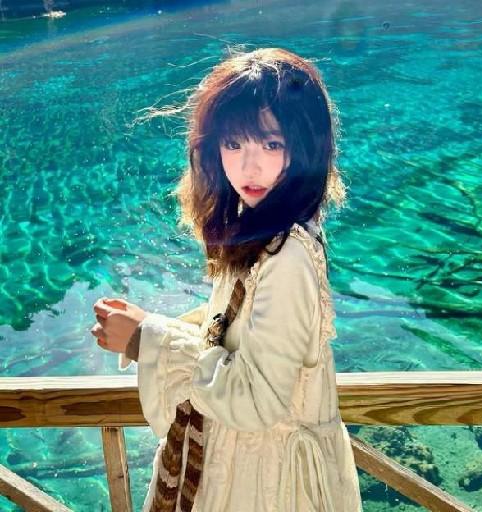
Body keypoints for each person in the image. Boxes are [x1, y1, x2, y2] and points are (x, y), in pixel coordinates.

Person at [90, 47, 362, 511]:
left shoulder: (288, 255)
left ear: (304, 146)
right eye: (234, 144)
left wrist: (146, 338)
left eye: (271, 144)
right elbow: (243, 329)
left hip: (270, 483)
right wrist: (160, 327)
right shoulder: (266, 229)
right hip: (254, 466)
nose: (249, 168)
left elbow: (257, 401)